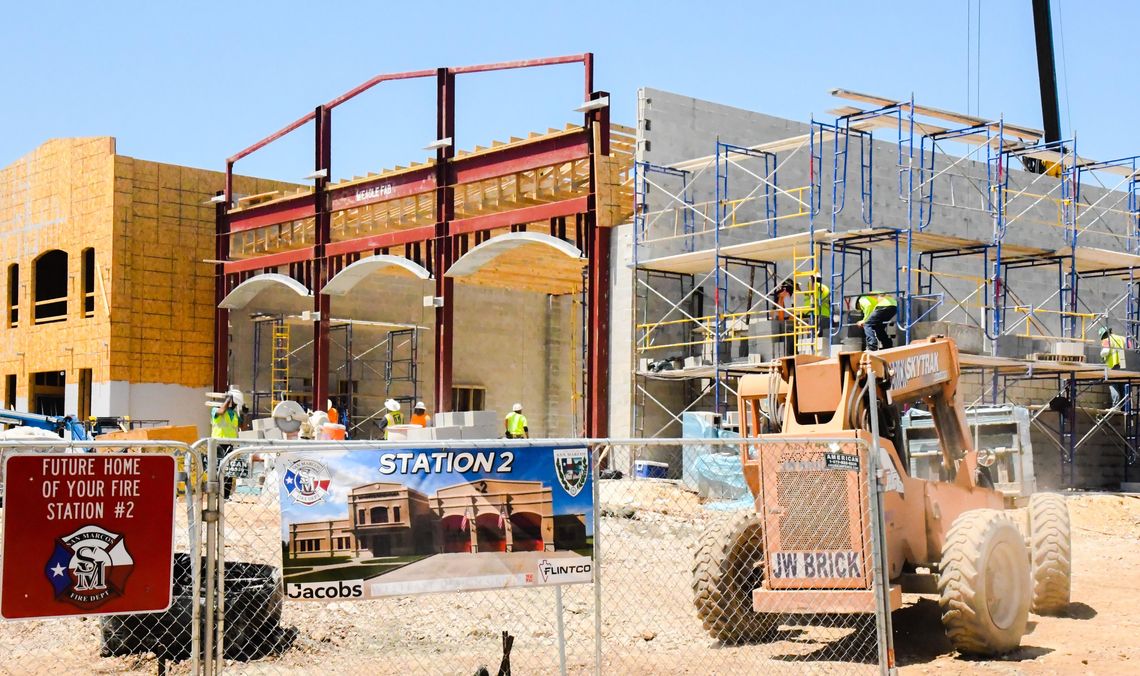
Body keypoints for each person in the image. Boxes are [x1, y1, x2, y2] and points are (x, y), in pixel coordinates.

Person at [210, 392, 241, 499]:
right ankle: (217, 494)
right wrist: (228, 400)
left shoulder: (234, 414)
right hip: (218, 444)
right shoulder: (215, 410)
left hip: (230, 444)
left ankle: (226, 496)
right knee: (218, 469)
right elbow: (221, 411)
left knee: (229, 470)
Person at [1100, 326, 1128, 406]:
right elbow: (1130, 346)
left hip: (1114, 364)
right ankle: (1125, 407)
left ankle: (1116, 405)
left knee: (1113, 385)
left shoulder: (1107, 339)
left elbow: (1105, 352)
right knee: (1123, 385)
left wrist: (1101, 356)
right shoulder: (1122, 338)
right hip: (1124, 364)